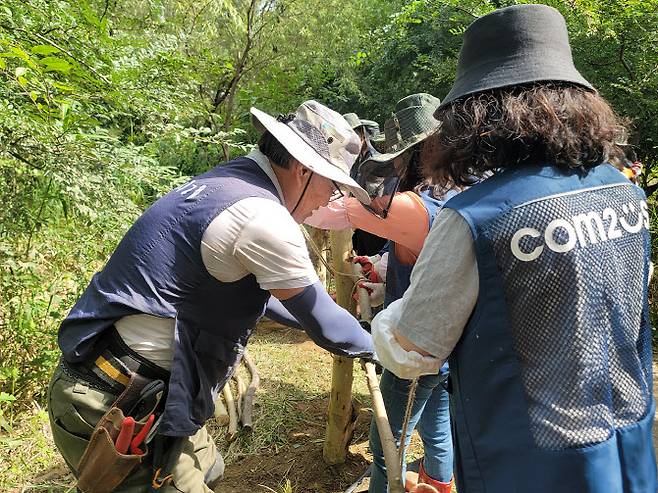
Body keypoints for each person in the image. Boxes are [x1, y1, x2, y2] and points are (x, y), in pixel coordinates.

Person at [371, 5, 657, 493]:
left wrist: (382, 321)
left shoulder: (476, 217)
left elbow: (415, 345)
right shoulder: (624, 192)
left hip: (528, 462)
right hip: (627, 450)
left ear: (477, 115)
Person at [48, 100, 376, 493]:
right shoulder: (262, 217)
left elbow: (269, 296)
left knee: (211, 468)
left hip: (133, 388)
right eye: (332, 184)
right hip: (117, 405)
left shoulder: (226, 184)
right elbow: (323, 323)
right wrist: (380, 347)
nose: (329, 199)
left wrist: (349, 331)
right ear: (303, 168)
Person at [307, 94, 457, 493]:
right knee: (438, 425)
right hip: (447, 340)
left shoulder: (409, 205)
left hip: (414, 344)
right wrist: (382, 276)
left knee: (387, 441)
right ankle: (439, 485)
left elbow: (321, 213)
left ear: (407, 156)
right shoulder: (453, 196)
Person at [343, 112, 389, 256]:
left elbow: (378, 197)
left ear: (362, 134)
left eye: (352, 137)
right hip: (360, 223)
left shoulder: (375, 159)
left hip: (375, 225)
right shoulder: (355, 158)